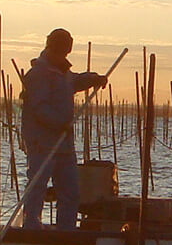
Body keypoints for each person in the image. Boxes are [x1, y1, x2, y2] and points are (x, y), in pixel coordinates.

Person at [20, 28, 107, 229]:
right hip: (42, 142)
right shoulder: (38, 75)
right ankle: (31, 225)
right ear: (50, 48)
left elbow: (75, 81)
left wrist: (94, 78)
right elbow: (39, 108)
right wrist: (60, 123)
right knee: (38, 185)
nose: (63, 55)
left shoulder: (63, 73)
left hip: (64, 145)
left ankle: (66, 229)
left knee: (70, 190)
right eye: (60, 51)